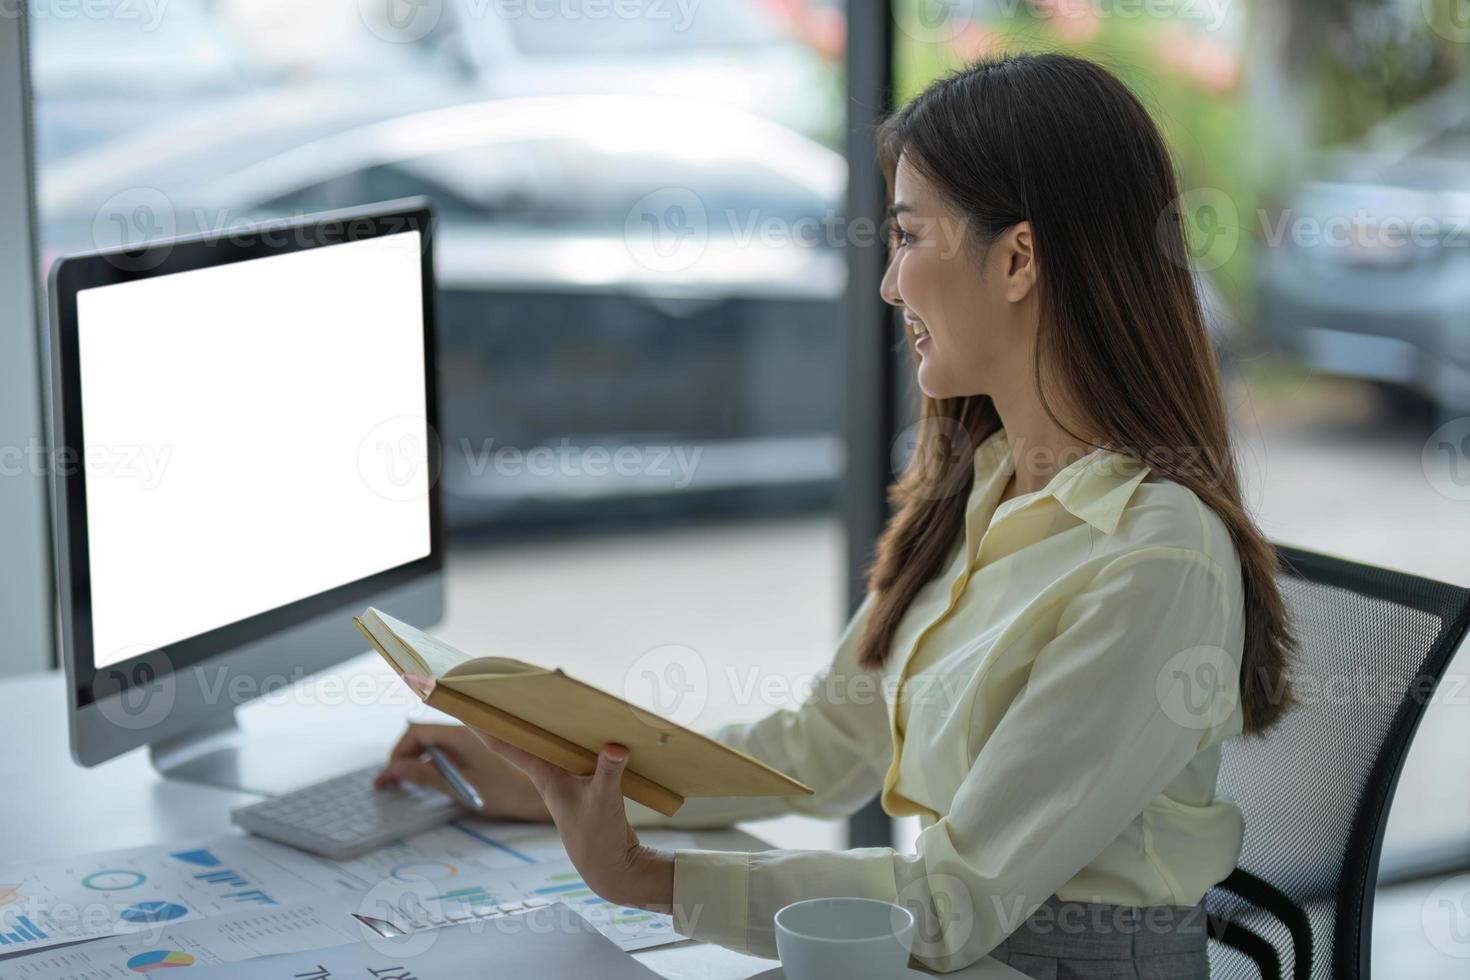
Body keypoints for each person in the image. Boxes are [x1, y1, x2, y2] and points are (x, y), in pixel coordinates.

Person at [374, 51, 1297, 978]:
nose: (892, 287)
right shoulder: (986, 487)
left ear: (1018, 257)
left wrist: (653, 880)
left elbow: (948, 902)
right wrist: (565, 771)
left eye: (908, 238)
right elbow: (818, 751)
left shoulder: (1156, 560)